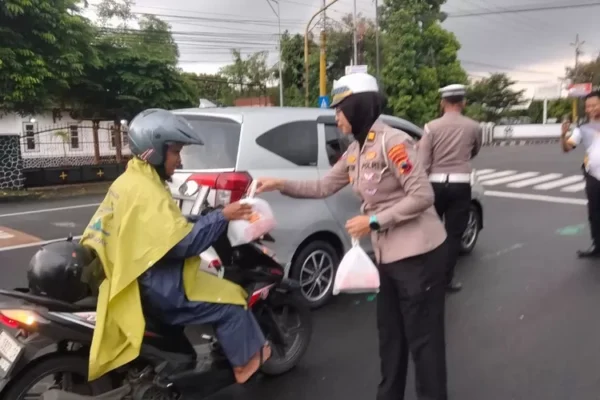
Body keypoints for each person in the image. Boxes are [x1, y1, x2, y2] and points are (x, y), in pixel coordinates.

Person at [255, 73, 449, 400]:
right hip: (388, 257)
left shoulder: (394, 143)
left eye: (340, 110)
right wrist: (279, 183)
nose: (336, 117)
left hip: (420, 256)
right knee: (391, 337)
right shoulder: (357, 150)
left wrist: (373, 221)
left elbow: (423, 196)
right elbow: (323, 186)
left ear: (358, 107)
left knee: (424, 342)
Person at [81, 108, 270, 384]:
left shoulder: (132, 180)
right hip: (161, 287)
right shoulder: (147, 191)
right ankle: (243, 367)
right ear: (156, 151)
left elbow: (160, 226)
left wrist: (201, 217)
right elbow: (184, 244)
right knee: (232, 299)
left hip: (135, 277)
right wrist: (222, 216)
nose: (179, 161)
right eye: (176, 152)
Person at [418, 84, 482, 293]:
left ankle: (428, 277)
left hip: (435, 184)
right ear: (463, 103)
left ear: (443, 103)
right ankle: (447, 280)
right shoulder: (473, 127)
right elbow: (475, 150)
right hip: (461, 183)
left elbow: (423, 161)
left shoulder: (431, 127)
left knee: (431, 231)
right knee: (454, 234)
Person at [560, 91, 600, 258]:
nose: (590, 109)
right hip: (593, 176)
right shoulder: (583, 128)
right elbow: (567, 148)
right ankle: (597, 245)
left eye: (594, 105)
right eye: (588, 106)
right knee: (594, 212)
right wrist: (563, 135)